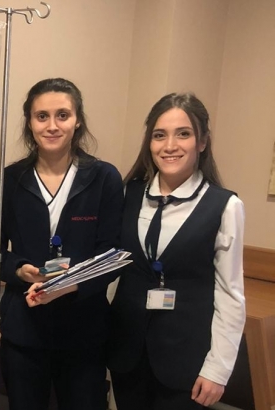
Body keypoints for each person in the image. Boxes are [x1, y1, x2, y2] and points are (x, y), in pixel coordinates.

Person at [0, 78, 124, 410]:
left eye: (62, 115)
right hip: (24, 329)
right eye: (42, 116)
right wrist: (20, 269)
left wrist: (69, 285)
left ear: (78, 121)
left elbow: (112, 256)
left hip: (84, 331)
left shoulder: (103, 179)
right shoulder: (10, 181)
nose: (52, 126)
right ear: (30, 123)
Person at [107, 93, 246, 410]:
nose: (169, 146)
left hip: (187, 361)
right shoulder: (129, 193)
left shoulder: (225, 206)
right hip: (127, 354)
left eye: (183, 134)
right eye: (159, 135)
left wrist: (218, 369)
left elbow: (230, 295)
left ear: (202, 141)